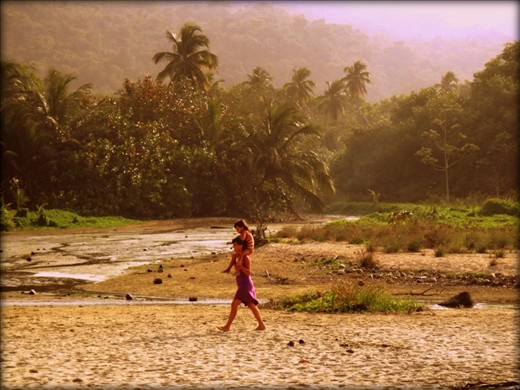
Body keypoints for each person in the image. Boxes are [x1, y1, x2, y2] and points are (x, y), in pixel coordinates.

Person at [217, 235, 265, 331]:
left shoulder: (246, 257)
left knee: (234, 304)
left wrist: (240, 266)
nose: (233, 246)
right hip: (242, 283)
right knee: (251, 305)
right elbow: (237, 269)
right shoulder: (237, 256)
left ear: (241, 245)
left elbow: (248, 272)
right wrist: (234, 263)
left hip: (245, 284)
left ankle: (227, 326)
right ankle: (261, 325)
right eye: (233, 244)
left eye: (235, 244)